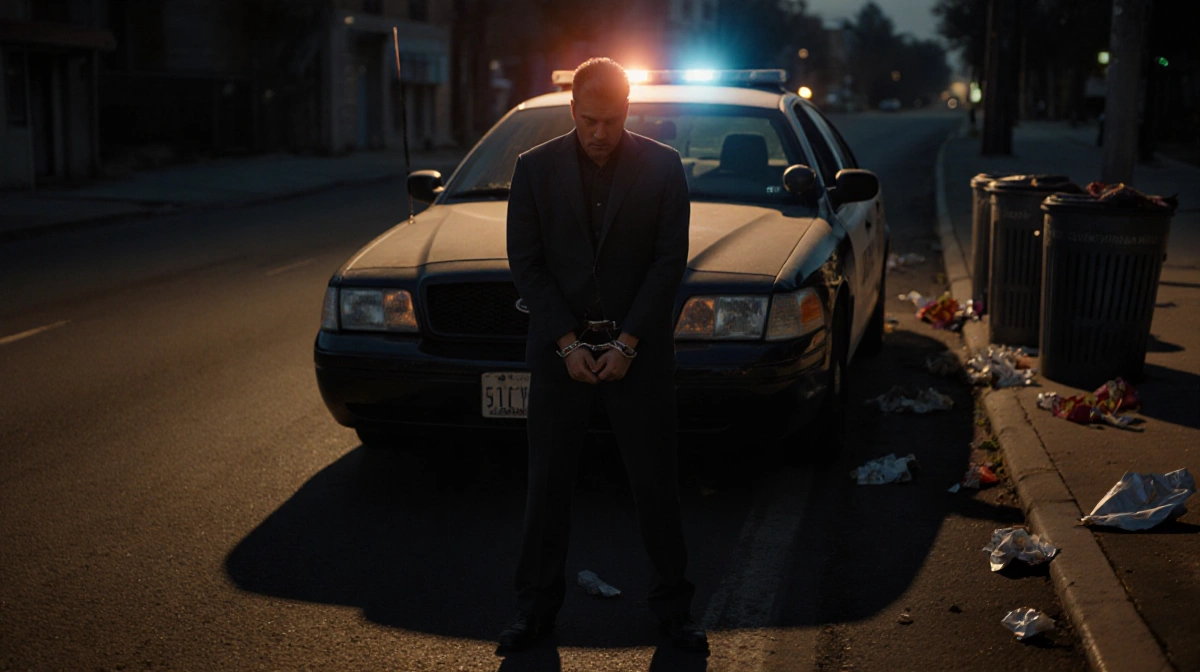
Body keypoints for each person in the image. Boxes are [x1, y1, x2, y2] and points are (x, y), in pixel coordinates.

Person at [500, 57, 706, 653]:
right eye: (589, 120)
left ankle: (675, 613)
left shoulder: (663, 167)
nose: (599, 133)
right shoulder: (534, 169)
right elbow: (527, 264)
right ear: (572, 111)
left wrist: (628, 344)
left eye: (611, 121)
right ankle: (534, 613)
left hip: (636, 354)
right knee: (546, 488)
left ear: (628, 111)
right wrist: (566, 343)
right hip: (558, 351)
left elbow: (670, 262)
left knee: (655, 486)